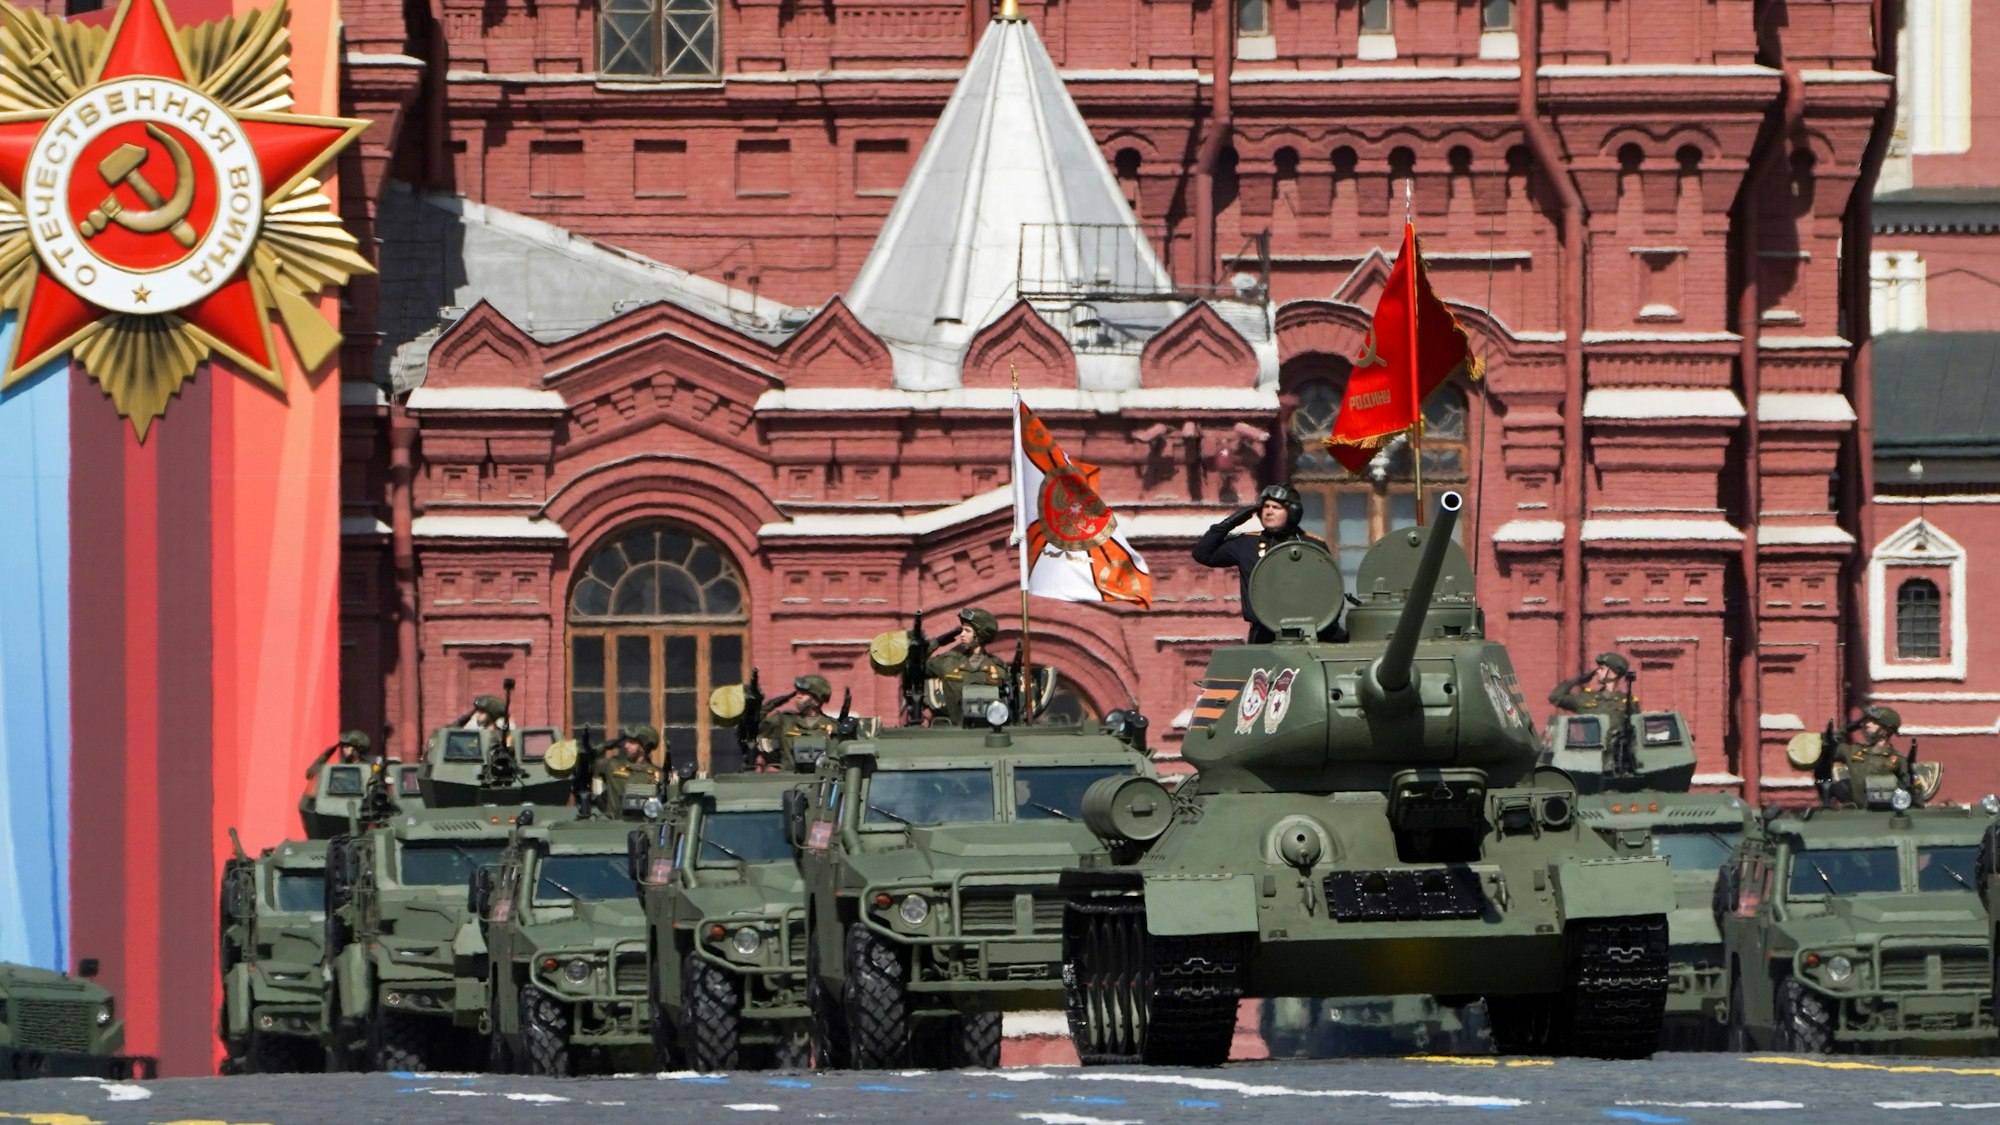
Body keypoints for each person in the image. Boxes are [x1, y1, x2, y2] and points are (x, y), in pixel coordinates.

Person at [1192, 484, 1344, 644]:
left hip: (1307, 634)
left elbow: (1331, 589)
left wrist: (1326, 625)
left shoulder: (1312, 545)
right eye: (1265, 507)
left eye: (1276, 507)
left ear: (1292, 512)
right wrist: (1231, 522)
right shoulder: (1247, 543)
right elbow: (1202, 553)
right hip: (1263, 634)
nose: (1268, 511)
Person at [927, 607, 1009, 724]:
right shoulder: (948, 661)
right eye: (962, 630)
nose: (962, 634)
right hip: (956, 732)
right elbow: (914, 666)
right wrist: (936, 642)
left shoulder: (998, 668)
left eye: (967, 630)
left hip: (990, 731)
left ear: (980, 635)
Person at [1824, 706, 1912, 808]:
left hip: (1885, 815)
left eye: (1874, 722)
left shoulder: (1898, 760)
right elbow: (1827, 747)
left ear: (1886, 730)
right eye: (1868, 720)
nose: (1867, 724)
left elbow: (1909, 791)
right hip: (1857, 816)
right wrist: (1850, 727)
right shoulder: (1854, 751)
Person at [755, 675, 837, 772]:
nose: (798, 696)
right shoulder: (783, 720)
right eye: (798, 692)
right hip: (788, 780)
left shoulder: (833, 726)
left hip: (820, 780)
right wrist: (765, 707)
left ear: (817, 700)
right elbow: (756, 728)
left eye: (804, 693)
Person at [594, 724, 666, 814]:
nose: (626, 745)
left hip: (642, 825)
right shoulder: (613, 765)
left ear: (645, 746)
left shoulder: (658, 775)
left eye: (632, 742)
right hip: (613, 825)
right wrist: (605, 746)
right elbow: (587, 761)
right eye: (626, 741)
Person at [1548, 653, 1634, 717]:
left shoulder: (1627, 702)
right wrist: (1579, 680)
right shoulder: (1586, 699)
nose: (1597, 671)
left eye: (1602, 669)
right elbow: (1555, 697)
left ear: (1614, 673)